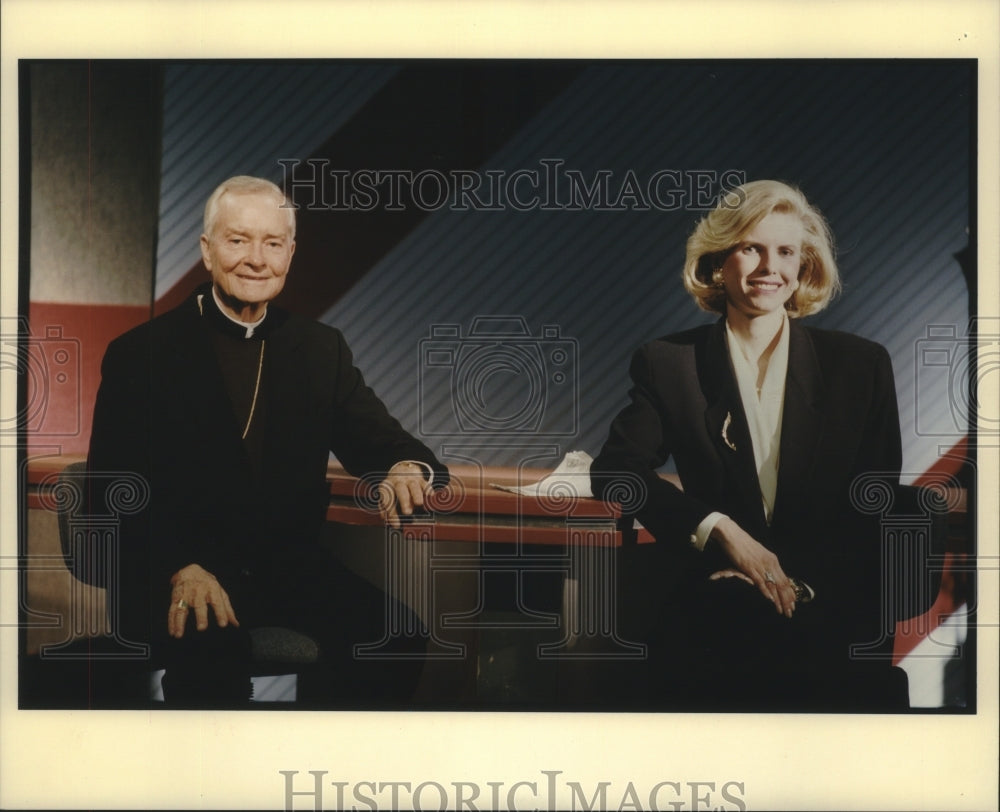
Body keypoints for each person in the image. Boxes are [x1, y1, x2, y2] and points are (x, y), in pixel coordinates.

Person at [86, 175, 449, 707]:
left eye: (272, 243)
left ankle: (326, 777)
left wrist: (404, 467)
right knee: (214, 656)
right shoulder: (142, 353)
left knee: (392, 636)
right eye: (238, 240)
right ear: (207, 252)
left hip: (284, 571)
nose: (256, 259)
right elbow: (110, 497)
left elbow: (380, 439)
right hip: (177, 569)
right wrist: (179, 566)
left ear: (290, 254)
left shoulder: (319, 350)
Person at [591, 179, 907, 711]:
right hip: (717, 609)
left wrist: (795, 588)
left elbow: (871, 506)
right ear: (719, 262)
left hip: (826, 613)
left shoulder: (860, 366)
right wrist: (720, 531)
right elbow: (616, 473)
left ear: (804, 266)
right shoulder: (668, 363)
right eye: (750, 248)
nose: (769, 267)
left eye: (785, 251)